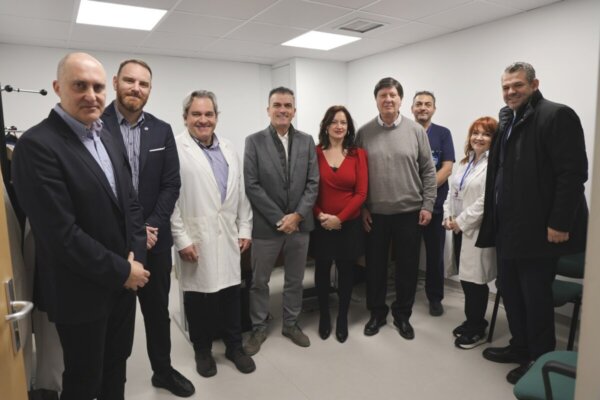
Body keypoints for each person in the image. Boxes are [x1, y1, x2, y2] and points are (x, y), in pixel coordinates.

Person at [11, 52, 150, 400]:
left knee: (117, 365)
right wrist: (123, 270)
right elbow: (60, 235)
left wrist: (136, 258)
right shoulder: (36, 146)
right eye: (80, 86)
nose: (91, 95)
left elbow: (130, 203)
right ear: (58, 88)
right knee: (83, 378)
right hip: (81, 291)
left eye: (98, 87)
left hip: (124, 284)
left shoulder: (106, 135)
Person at [477, 62, 588, 384]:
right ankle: (520, 346)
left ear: (534, 84)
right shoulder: (508, 120)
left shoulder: (556, 116)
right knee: (511, 292)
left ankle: (540, 359)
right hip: (509, 228)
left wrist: (559, 222)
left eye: (518, 85)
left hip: (539, 231)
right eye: (506, 87)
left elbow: (572, 174)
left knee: (535, 298)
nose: (511, 92)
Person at [102, 59, 194, 397]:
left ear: (150, 90)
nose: (136, 88)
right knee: (116, 319)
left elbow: (171, 184)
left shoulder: (161, 130)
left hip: (156, 243)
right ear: (116, 82)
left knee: (157, 313)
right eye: (130, 81)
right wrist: (134, 234)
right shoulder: (96, 125)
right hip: (114, 245)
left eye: (143, 84)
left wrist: (149, 227)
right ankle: (113, 386)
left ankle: (163, 372)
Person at [171, 90, 256, 377]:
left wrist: (245, 228)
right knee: (198, 298)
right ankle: (202, 350)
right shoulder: (176, 149)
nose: (203, 120)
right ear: (185, 117)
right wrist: (181, 239)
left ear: (216, 117)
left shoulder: (228, 148)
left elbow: (240, 193)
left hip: (227, 234)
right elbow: (170, 200)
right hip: (196, 235)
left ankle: (234, 346)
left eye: (209, 114)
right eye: (196, 114)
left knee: (231, 293)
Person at [356, 77, 437, 340]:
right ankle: (377, 313)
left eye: (393, 95)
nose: (388, 100)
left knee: (407, 269)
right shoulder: (364, 133)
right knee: (375, 268)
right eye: (383, 95)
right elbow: (358, 175)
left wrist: (428, 205)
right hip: (375, 215)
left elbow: (428, 171)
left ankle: (402, 315)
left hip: (409, 213)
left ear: (401, 99)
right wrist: (362, 208)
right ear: (376, 100)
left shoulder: (416, 131)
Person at [243, 87, 319, 355]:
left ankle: (291, 323)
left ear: (294, 111)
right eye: (277, 105)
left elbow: (313, 182)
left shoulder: (307, 141)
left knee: (295, 279)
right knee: (259, 281)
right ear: (268, 110)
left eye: (288, 105)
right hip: (267, 226)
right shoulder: (254, 141)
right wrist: (280, 219)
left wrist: (297, 216)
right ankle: (258, 327)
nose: (282, 110)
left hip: (300, 225)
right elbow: (252, 185)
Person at [311, 105, 368, 343]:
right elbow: (308, 189)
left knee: (346, 272)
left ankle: (342, 317)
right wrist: (321, 216)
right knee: (322, 271)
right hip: (321, 224)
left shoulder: (358, 154)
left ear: (349, 127)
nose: (339, 126)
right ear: (326, 126)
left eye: (343, 122)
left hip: (348, 225)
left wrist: (339, 218)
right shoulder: (314, 152)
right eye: (334, 121)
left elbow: (361, 193)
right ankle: (325, 316)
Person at [442, 117, 497, 349]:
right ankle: (472, 320)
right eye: (475, 133)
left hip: (475, 231)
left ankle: (477, 329)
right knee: (466, 279)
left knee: (476, 282)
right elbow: (452, 191)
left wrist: (461, 221)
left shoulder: (494, 164)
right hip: (458, 228)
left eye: (486, 134)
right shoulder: (466, 162)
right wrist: (448, 215)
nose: (479, 138)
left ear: (494, 139)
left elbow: (486, 201)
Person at [411, 91, 455, 316]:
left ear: (434, 109)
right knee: (408, 255)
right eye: (419, 104)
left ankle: (435, 298)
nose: (423, 108)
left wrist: (424, 192)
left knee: (435, 256)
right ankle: (406, 295)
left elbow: (447, 168)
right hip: (409, 207)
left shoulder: (443, 134)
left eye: (427, 104)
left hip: (436, 207)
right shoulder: (405, 132)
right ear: (412, 108)